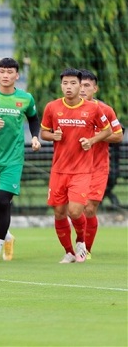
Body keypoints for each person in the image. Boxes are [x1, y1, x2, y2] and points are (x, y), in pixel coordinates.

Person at [40, 68, 111, 263]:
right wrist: (53, 136)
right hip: (58, 170)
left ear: (80, 85)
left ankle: (81, 242)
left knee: (75, 211)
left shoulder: (94, 109)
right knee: (59, 212)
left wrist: (92, 140)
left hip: (82, 171)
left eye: (73, 83)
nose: (68, 87)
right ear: (61, 85)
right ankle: (69, 252)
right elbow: (44, 132)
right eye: (65, 83)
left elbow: (108, 131)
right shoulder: (52, 107)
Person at [0, 58, 41, 262]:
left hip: (13, 159)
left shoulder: (26, 98)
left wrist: (35, 137)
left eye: (10, 72)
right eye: (2, 71)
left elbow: (33, 118)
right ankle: (8, 236)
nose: (5, 75)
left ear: (17, 75)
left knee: (4, 201)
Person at [79, 69, 123, 258]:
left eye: (87, 85)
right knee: (75, 209)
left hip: (98, 167)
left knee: (89, 208)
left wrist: (95, 139)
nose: (82, 89)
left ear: (95, 88)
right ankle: (78, 242)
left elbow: (118, 135)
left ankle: (85, 250)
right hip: (75, 167)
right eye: (79, 85)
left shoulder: (104, 110)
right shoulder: (66, 109)